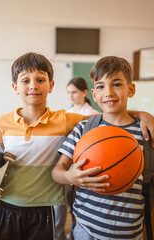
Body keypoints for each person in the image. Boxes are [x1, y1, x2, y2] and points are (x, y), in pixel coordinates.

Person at [0, 52, 154, 240]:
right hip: (7, 204)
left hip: (45, 206)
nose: (33, 85)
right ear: (15, 87)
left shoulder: (65, 120)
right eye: (25, 81)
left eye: (40, 79)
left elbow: (109, 114)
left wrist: (142, 114)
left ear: (51, 86)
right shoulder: (1, 122)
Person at [52, 56, 154, 239]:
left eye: (117, 84)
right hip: (84, 229)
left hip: (128, 232)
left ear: (131, 89)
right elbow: (57, 171)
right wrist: (69, 176)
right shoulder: (83, 129)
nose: (109, 92)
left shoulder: (148, 133)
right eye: (101, 86)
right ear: (94, 94)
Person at [54, 77, 100, 240]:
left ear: (85, 93)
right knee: (66, 203)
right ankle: (69, 233)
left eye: (74, 92)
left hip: (83, 165)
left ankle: (75, 232)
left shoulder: (94, 115)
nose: (71, 96)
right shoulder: (68, 113)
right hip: (66, 165)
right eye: (68, 92)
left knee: (77, 205)